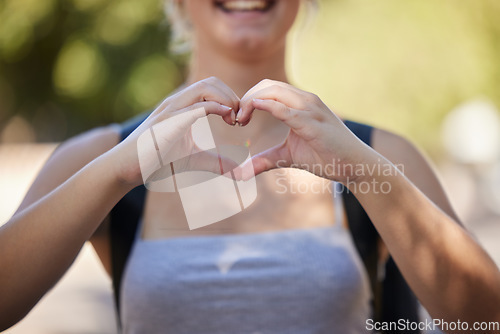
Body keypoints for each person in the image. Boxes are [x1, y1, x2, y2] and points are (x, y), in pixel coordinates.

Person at [1, 0, 499, 333]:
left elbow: (485, 321)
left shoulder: (380, 154)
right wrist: (116, 172)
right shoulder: (101, 159)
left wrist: (362, 172)